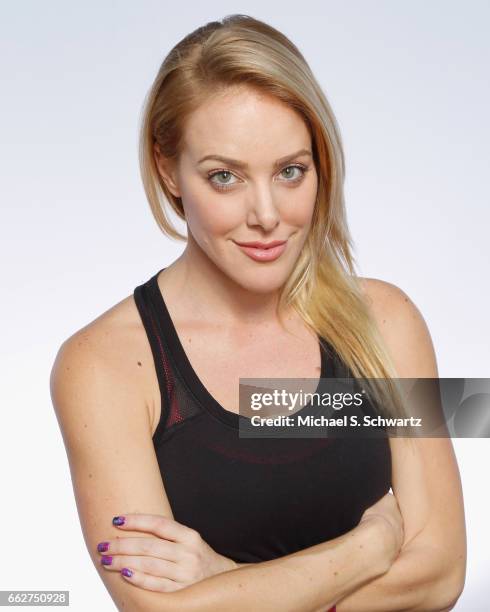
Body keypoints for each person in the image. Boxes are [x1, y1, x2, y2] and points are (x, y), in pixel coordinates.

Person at [50, 14, 466, 612]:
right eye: (225, 178)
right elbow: (162, 611)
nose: (267, 214)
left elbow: (441, 574)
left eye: (291, 171)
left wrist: (227, 580)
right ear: (168, 170)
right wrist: (370, 548)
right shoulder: (103, 364)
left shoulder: (387, 321)